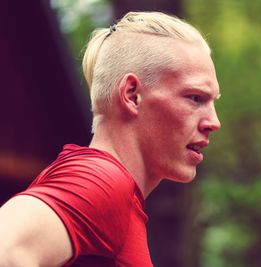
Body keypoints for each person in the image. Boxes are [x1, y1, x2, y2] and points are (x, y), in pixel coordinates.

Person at [0, 11, 220, 266]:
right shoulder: (101, 180)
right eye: (195, 98)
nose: (214, 122)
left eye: (212, 102)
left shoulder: (116, 198)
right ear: (132, 94)